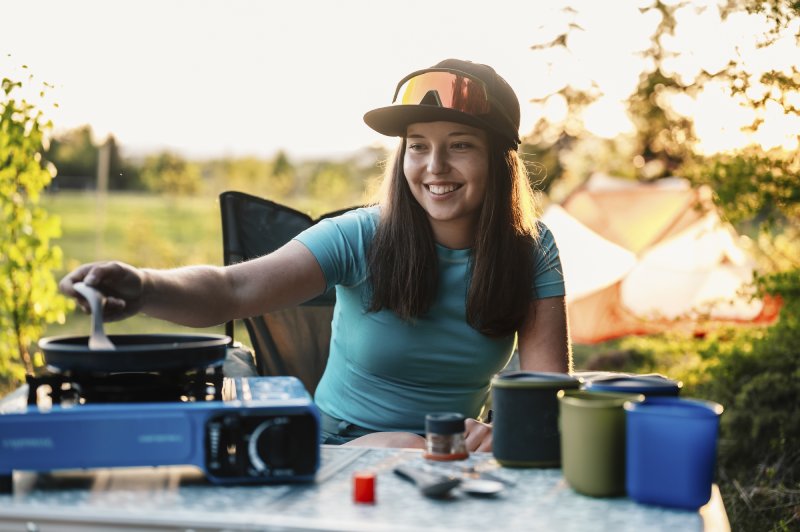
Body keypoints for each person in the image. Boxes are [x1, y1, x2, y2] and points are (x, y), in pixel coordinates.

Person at [60, 58, 571, 452]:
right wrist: (145, 287)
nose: (434, 166)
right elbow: (232, 289)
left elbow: (545, 386)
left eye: (459, 145)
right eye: (417, 146)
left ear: (498, 161)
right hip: (338, 456)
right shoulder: (359, 237)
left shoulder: (531, 250)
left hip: (451, 463)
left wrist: (497, 434)